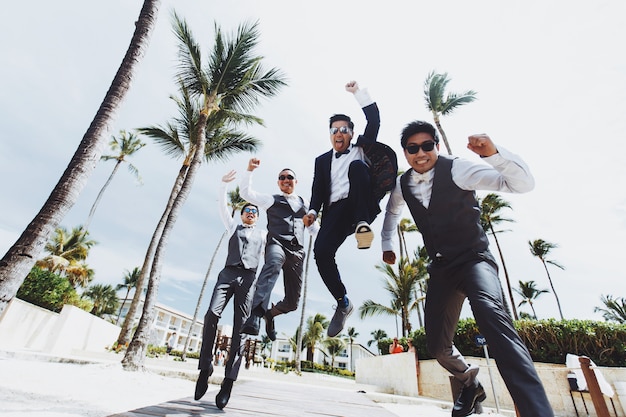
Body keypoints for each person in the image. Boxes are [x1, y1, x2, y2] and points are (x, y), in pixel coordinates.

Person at [381, 120, 553, 417]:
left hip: (474, 260)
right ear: (405, 153)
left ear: (436, 146)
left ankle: (537, 411)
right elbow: (391, 211)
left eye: (426, 146)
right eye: (412, 148)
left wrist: (494, 154)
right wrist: (387, 244)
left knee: (492, 318)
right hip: (442, 268)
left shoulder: (459, 169)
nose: (420, 153)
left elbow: (522, 184)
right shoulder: (402, 185)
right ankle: (469, 383)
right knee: (436, 346)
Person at [303, 80, 381, 337]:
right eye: (334, 129)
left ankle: (361, 226)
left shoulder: (361, 148)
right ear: (330, 134)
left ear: (351, 133)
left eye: (344, 129)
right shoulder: (321, 160)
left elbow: (374, 120)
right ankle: (343, 302)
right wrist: (313, 212)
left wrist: (358, 93)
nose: (339, 133)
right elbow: (317, 191)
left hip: (360, 204)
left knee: (357, 168)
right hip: (335, 212)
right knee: (321, 252)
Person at [194, 170, 267, 409]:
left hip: (249, 279)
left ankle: (228, 382)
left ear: (257, 217)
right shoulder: (233, 226)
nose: (250, 214)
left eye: (254, 212)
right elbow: (222, 208)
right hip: (227, 275)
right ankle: (205, 367)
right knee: (211, 315)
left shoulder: (264, 236)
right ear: (242, 214)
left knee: (241, 329)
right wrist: (223, 185)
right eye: (247, 211)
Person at [240, 159, 319, 341]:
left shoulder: (305, 203)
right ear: (278, 182)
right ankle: (256, 315)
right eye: (282, 177)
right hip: (276, 244)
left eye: (289, 177)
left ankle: (270, 314)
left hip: (297, 252)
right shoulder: (271, 199)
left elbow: (314, 229)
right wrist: (250, 170)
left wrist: (324, 240)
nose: (285, 179)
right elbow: (246, 193)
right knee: (273, 263)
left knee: (292, 303)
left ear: (295, 182)